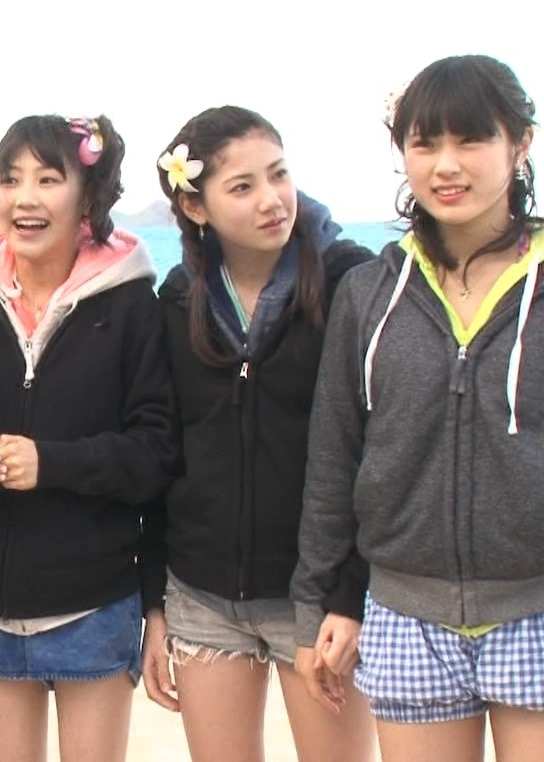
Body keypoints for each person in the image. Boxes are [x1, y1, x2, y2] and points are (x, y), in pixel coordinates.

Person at [290, 54, 544, 762]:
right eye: (425, 143)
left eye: (471, 140)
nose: (446, 165)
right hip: (405, 617)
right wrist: (321, 604)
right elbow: (335, 461)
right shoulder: (368, 294)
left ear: (520, 145)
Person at [0, 114, 179, 762]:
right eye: (9, 179)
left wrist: (52, 464)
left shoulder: (132, 308)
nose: (25, 198)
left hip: (94, 604)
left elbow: (156, 453)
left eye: (48, 179)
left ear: (87, 198)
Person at [138, 106, 377, 761]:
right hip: (201, 595)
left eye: (279, 174)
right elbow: (166, 454)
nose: (272, 199)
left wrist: (351, 595)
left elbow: (378, 454)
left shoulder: (351, 282)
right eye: (242, 187)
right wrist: (154, 603)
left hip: (318, 599)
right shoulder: (179, 299)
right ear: (196, 207)